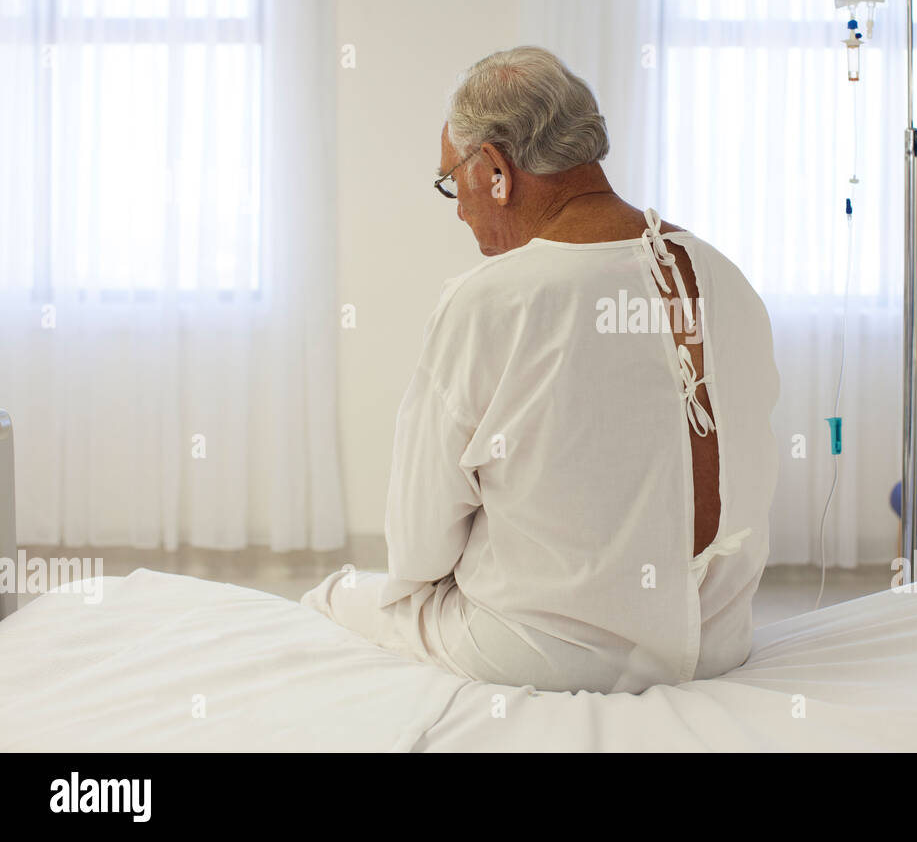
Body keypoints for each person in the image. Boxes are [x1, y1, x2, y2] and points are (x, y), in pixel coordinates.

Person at [303, 46, 780, 694]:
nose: (460, 207)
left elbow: (419, 550)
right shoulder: (728, 279)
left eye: (454, 181)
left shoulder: (491, 301)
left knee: (334, 597)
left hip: (543, 657)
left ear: (496, 169)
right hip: (716, 645)